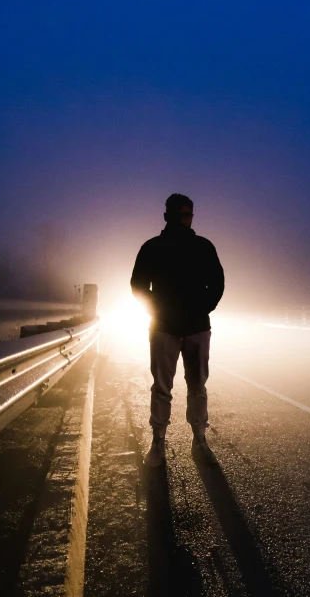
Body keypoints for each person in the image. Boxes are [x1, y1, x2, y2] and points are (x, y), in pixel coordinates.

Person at [131, 193, 225, 467]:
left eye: (189, 214)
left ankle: (199, 441)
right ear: (168, 216)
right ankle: (158, 443)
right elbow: (138, 286)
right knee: (162, 388)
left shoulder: (202, 246)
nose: (187, 219)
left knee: (197, 387)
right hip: (165, 329)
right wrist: (157, 312)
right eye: (182, 214)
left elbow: (217, 283)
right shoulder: (152, 247)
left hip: (195, 327)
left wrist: (202, 309)